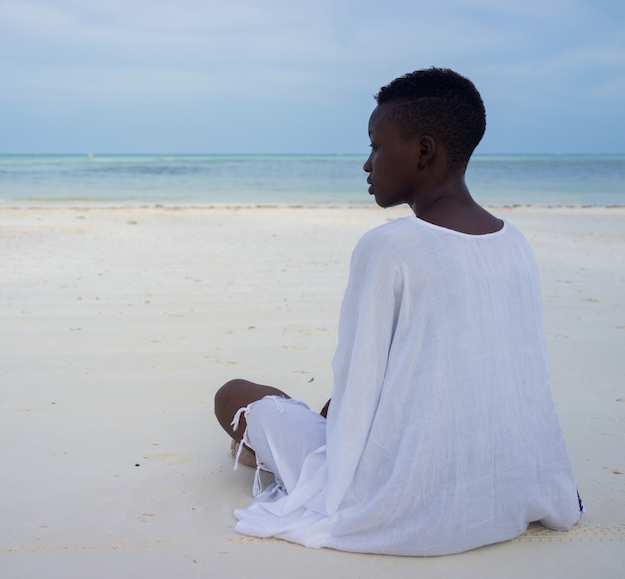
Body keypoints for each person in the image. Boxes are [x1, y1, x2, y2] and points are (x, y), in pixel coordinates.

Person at [214, 67, 582, 556]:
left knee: (235, 395)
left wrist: (325, 455)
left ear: (423, 151)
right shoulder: (514, 242)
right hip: (510, 480)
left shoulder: (390, 246)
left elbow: (359, 383)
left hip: (405, 499)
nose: (367, 164)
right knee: (319, 411)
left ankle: (278, 443)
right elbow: (524, 377)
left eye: (375, 146)